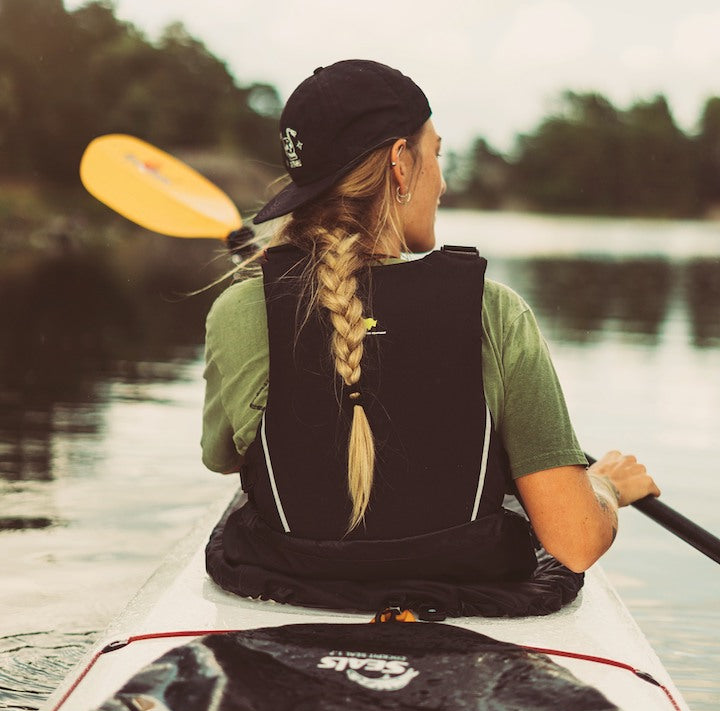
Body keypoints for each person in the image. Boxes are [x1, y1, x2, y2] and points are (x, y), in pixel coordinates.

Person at [201, 60, 660, 616]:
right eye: (436, 154)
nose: (441, 180)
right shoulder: (496, 311)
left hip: (294, 583)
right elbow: (576, 541)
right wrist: (605, 489)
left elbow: (223, 458)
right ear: (400, 165)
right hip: (464, 585)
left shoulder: (239, 308)